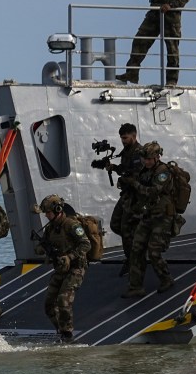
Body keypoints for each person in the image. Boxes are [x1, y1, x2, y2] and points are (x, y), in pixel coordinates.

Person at [115, 0, 191, 86]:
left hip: (171, 16)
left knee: (172, 48)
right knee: (140, 41)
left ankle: (172, 80)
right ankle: (132, 73)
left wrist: (171, 5)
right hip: (154, 13)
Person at [120, 141, 178, 297]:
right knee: (136, 249)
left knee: (154, 252)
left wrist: (135, 184)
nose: (146, 162)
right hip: (147, 215)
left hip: (162, 217)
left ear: (157, 157)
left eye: (150, 159)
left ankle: (166, 279)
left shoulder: (163, 171)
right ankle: (135, 286)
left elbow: (153, 191)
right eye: (145, 159)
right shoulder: (144, 170)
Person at [32, 195, 92, 343]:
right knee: (48, 304)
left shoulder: (71, 225)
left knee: (63, 300)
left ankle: (68, 335)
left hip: (76, 268)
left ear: (58, 210)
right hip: (60, 269)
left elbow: (86, 244)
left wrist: (70, 257)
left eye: (48, 212)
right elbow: (45, 243)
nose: (46, 215)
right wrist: (41, 249)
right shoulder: (51, 227)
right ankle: (61, 329)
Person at [97, 123, 144, 275]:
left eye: (125, 138)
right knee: (115, 225)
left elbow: (139, 175)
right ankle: (134, 251)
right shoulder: (127, 151)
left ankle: (132, 260)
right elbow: (126, 169)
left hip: (135, 195)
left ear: (134, 136)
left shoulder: (139, 152)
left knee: (125, 227)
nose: (123, 141)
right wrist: (115, 168)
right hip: (126, 194)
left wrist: (124, 180)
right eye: (122, 138)